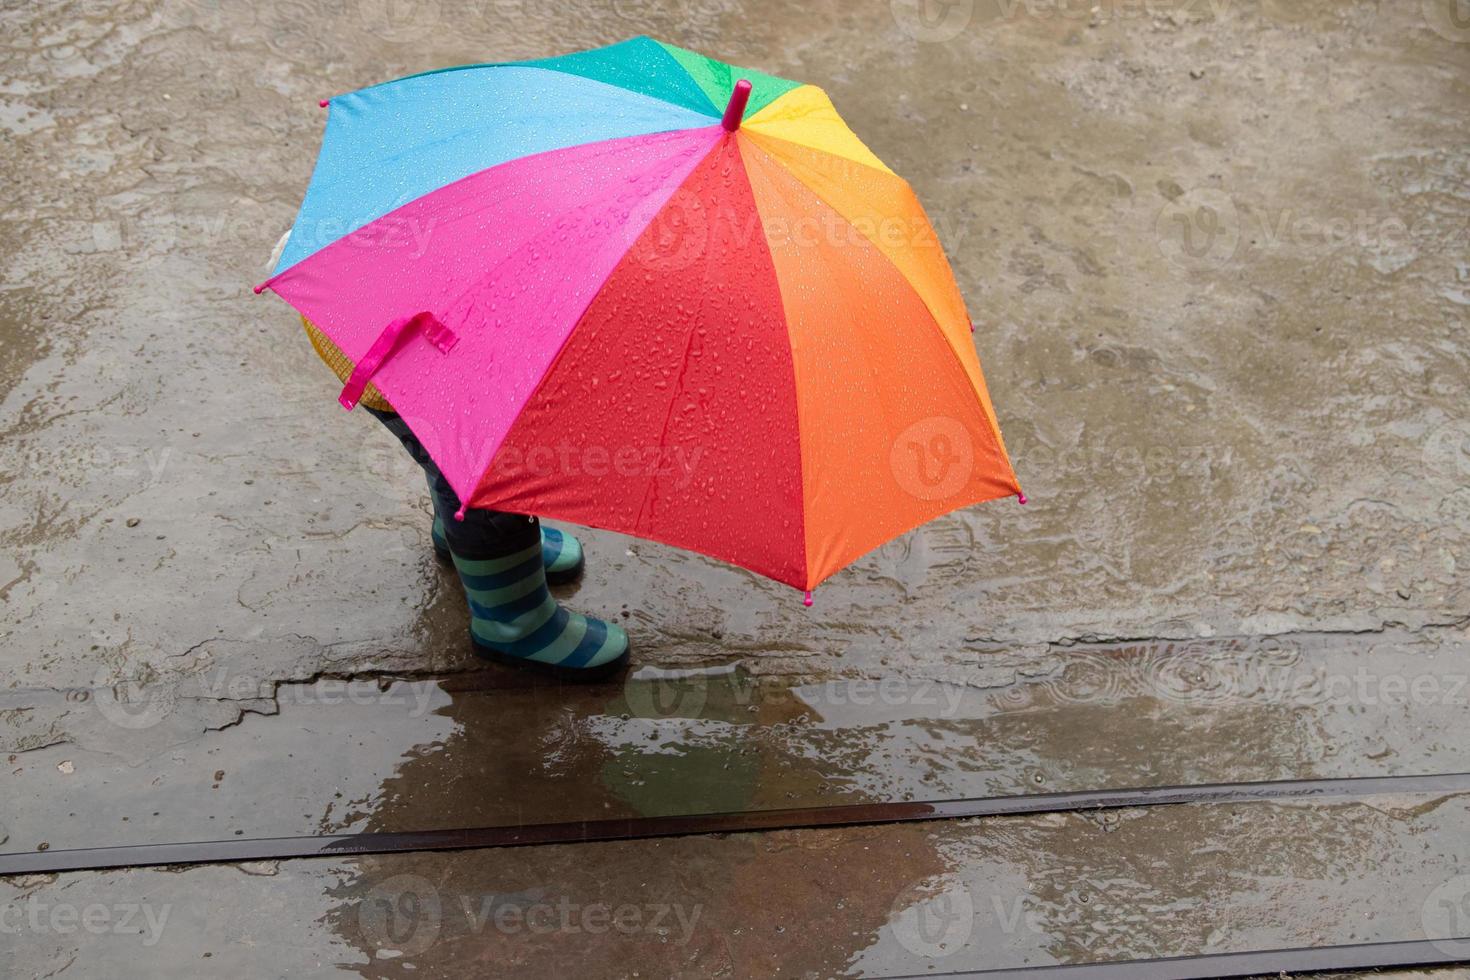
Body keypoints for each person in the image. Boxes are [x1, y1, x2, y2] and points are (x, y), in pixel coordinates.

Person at [271, 236, 631, 681]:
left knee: (442, 451)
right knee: (481, 471)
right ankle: (513, 621)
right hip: (407, 339)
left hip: (373, 301)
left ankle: (467, 541)